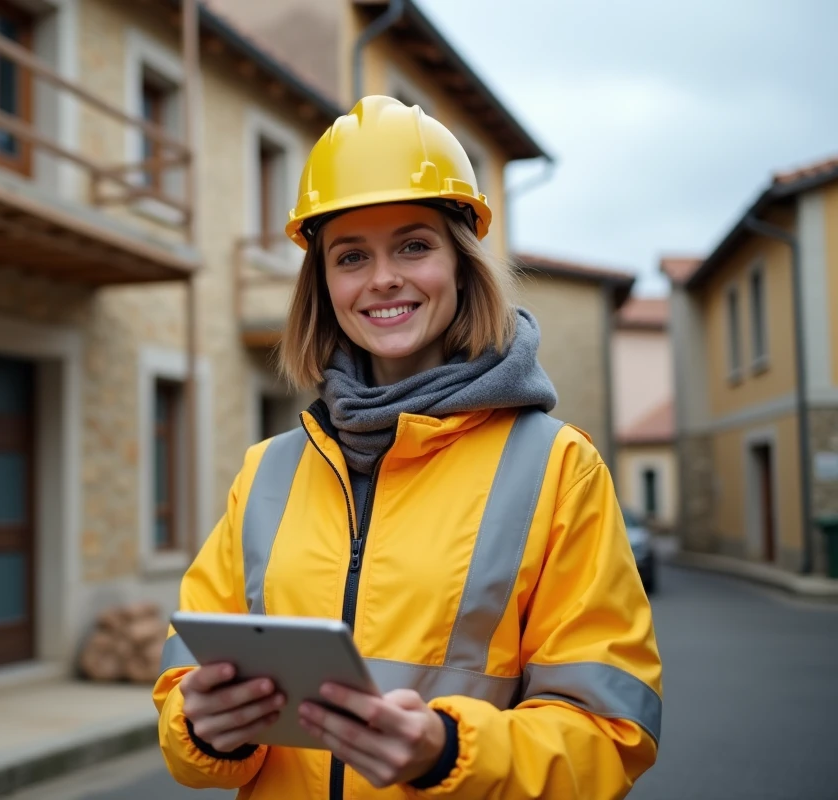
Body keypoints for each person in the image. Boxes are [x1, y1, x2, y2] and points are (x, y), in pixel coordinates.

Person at [152, 95, 662, 799]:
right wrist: (206, 726)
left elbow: (611, 733)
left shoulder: (557, 467)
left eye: (414, 246)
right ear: (324, 285)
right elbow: (183, 686)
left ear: (460, 264)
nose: (382, 277)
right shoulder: (267, 471)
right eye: (351, 255)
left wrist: (449, 751)